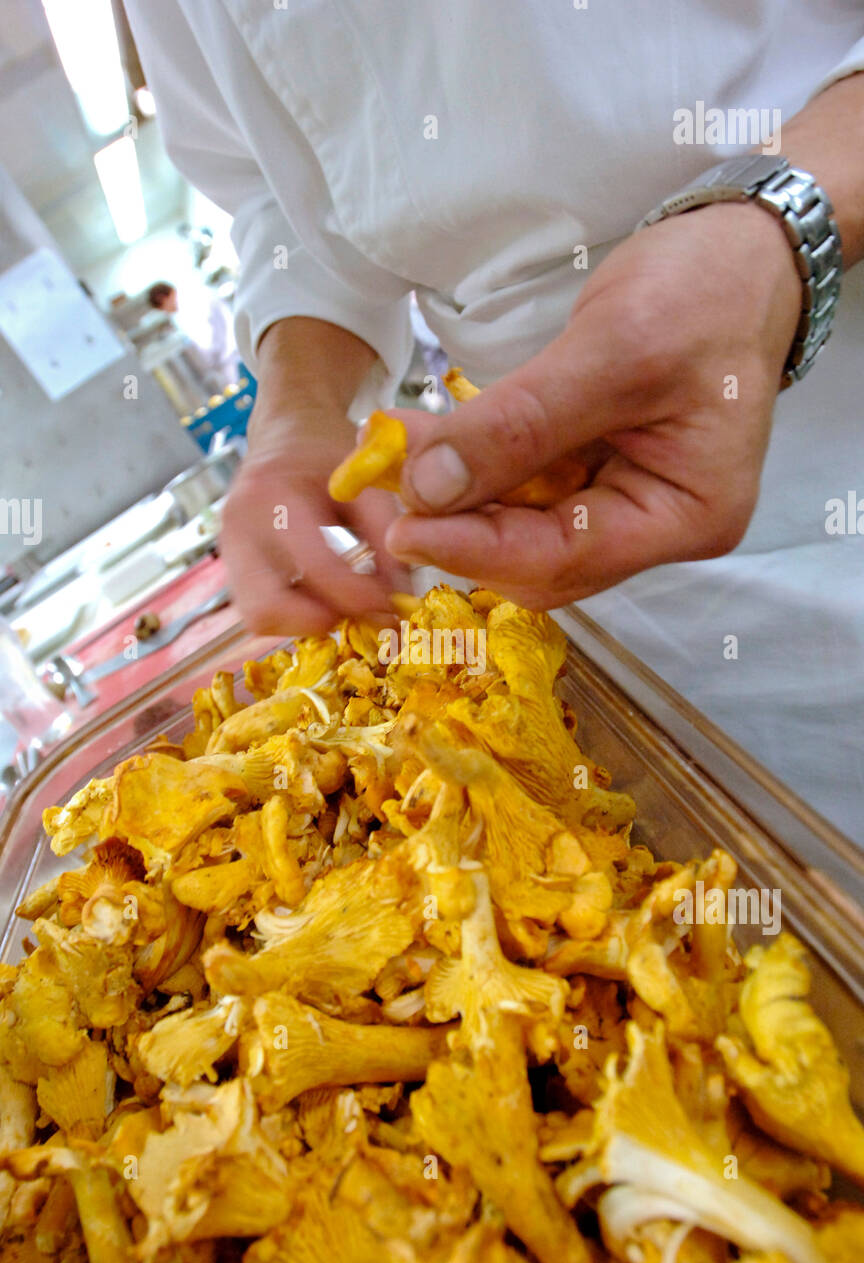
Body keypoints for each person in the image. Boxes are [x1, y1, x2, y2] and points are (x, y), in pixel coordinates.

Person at [126, 2, 864, 845]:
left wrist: (780, 227)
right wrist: (296, 413)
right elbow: (277, 199)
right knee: (719, 880)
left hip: (837, 397)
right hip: (584, 553)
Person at [147, 278, 240, 394]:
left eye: (162, 308)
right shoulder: (181, 309)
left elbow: (215, 329)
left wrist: (216, 359)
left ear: (162, 298)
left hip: (230, 355)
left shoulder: (191, 300)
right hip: (225, 358)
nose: (166, 312)